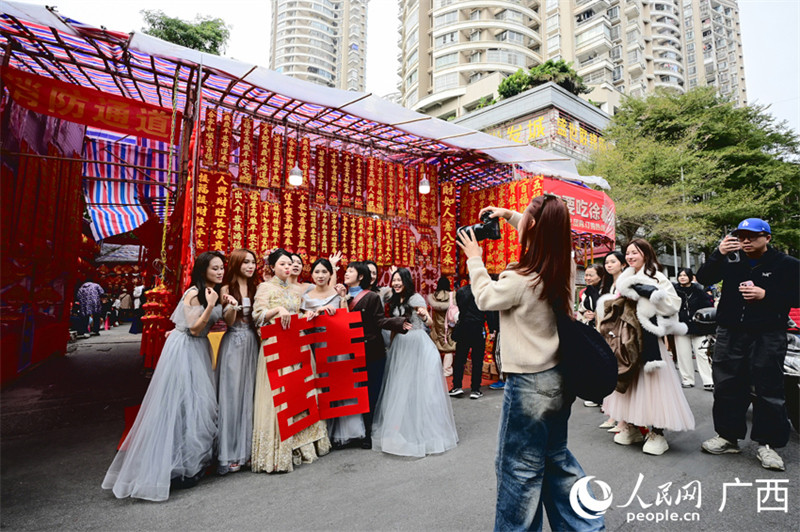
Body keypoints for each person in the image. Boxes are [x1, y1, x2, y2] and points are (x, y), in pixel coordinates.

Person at [458, 197, 602, 531]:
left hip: (528, 385)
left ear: (532, 228)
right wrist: (509, 215)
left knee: (518, 471)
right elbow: (543, 230)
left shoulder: (520, 279)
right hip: (559, 378)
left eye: (524, 219)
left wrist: (475, 260)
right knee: (555, 458)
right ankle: (587, 526)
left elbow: (485, 298)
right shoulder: (563, 264)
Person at [102, 251, 225, 501]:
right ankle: (173, 467)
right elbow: (194, 328)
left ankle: (191, 463)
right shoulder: (193, 293)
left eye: (222, 268)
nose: (220, 272)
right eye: (215, 268)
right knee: (182, 405)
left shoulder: (217, 293)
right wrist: (211, 306)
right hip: (185, 349)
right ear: (203, 271)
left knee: (200, 406)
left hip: (199, 349)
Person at [697, 218, 799, 471]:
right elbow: (703, 277)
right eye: (741, 236)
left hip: (769, 333)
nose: (745, 241)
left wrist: (767, 295)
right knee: (727, 385)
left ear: (767, 237)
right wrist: (717, 253)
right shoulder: (731, 259)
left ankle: (768, 445)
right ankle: (728, 437)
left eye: (752, 236)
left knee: (769, 388)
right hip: (731, 331)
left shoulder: (787, 264)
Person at [599, 239, 695, 456]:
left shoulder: (657, 276)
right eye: (628, 253)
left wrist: (649, 292)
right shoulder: (625, 276)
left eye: (635, 252)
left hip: (649, 337)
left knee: (653, 383)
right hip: (627, 336)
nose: (631, 256)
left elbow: (673, 304)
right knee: (630, 380)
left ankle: (657, 432)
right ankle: (632, 426)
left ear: (645, 253)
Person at [251, 248, 331, 473]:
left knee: (301, 392)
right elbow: (257, 316)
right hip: (276, 346)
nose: (287, 268)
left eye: (290, 264)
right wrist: (277, 309)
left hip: (298, 343)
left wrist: (313, 313)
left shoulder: (298, 289)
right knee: (281, 396)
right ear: (273, 267)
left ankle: (305, 445)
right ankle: (280, 451)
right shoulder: (265, 287)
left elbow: (302, 313)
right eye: (283, 264)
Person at [370, 268, 458, 457]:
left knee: (417, 388)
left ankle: (420, 431)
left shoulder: (415, 298)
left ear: (408, 281)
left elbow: (428, 322)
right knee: (400, 387)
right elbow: (381, 295)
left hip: (416, 343)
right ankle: (401, 428)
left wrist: (424, 315)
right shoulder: (393, 298)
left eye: (400, 280)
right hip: (400, 345)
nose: (396, 283)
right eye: (394, 280)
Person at [335, 262, 408, 449]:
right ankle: (350, 431)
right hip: (348, 349)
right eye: (347, 270)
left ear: (361, 276)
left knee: (369, 392)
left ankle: (367, 432)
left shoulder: (372, 297)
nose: (347, 273)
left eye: (351, 271)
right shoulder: (340, 295)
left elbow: (379, 320)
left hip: (370, 350)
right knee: (351, 391)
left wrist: (399, 323)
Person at [300, 258, 359, 449]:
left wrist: (341, 301)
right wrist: (314, 313)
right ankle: (324, 433)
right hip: (315, 346)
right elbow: (302, 322)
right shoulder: (306, 296)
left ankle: (344, 432)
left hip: (336, 346)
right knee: (320, 387)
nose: (320, 275)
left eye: (324, 272)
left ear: (330, 274)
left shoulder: (337, 293)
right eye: (316, 272)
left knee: (338, 386)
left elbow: (346, 318)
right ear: (312, 274)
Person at [216, 249, 260, 475]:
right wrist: (232, 304)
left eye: (253, 262)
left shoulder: (257, 288)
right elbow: (229, 321)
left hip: (253, 341)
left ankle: (249, 450)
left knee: (251, 394)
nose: (251, 266)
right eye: (246, 262)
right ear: (236, 264)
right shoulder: (226, 288)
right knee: (232, 395)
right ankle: (231, 451)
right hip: (233, 342)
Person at [449, 280, 497, 399]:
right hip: (478, 328)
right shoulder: (482, 293)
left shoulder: (461, 291)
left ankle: (457, 386)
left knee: (460, 358)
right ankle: (475, 389)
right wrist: (492, 329)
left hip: (464, 327)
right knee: (477, 360)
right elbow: (489, 313)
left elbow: (459, 308)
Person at [598, 251, 628, 431]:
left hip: (621, 331)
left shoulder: (625, 282)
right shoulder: (609, 284)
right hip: (609, 331)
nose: (609, 265)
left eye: (613, 262)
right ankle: (613, 415)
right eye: (607, 262)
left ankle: (623, 419)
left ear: (622, 264)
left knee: (621, 372)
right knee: (611, 371)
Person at [672, 267, 714, 390]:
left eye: (685, 275)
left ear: (691, 277)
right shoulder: (673, 291)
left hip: (699, 327)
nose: (682, 277)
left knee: (702, 353)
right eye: (680, 275)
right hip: (681, 326)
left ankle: (709, 380)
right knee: (683, 354)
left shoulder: (698, 290)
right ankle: (687, 380)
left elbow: (708, 305)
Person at [577, 263, 610, 407]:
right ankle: (596, 395)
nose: (587, 278)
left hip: (605, 331)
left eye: (591, 275)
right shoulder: (584, 292)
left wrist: (597, 315)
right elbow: (581, 309)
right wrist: (585, 314)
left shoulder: (607, 291)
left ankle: (607, 398)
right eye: (586, 275)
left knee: (605, 363)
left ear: (600, 276)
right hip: (590, 330)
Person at [427, 275, 457, 377]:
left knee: (436, 346)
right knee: (448, 348)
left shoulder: (433, 297)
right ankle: (447, 370)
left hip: (436, 326)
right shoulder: (452, 296)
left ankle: (435, 368)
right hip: (448, 325)